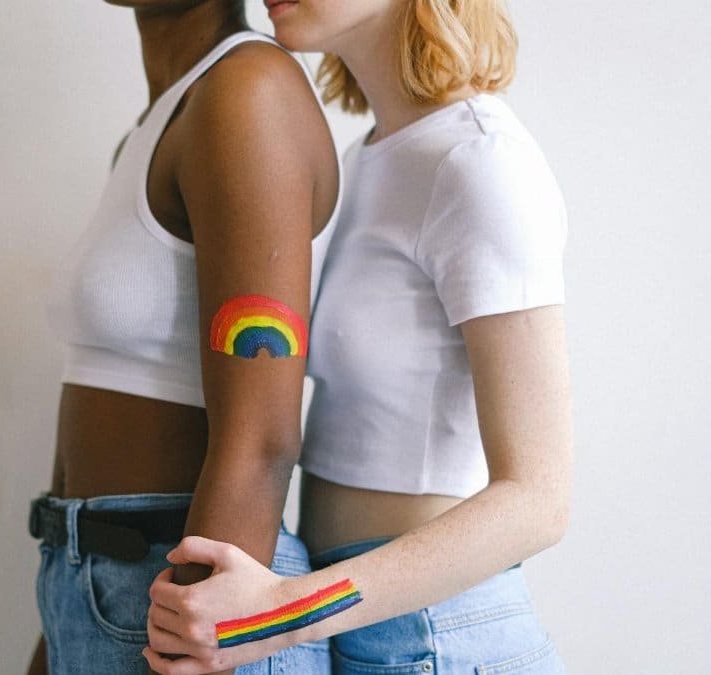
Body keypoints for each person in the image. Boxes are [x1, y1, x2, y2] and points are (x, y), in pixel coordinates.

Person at [143, 1, 571, 673]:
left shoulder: (481, 160)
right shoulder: (367, 157)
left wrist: (280, 612)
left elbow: (539, 501)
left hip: (441, 639)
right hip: (362, 630)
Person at [26, 1, 341, 673]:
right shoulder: (160, 120)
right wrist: (59, 622)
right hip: (92, 583)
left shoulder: (247, 93)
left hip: (182, 597)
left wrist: (191, 642)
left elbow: (263, 439)